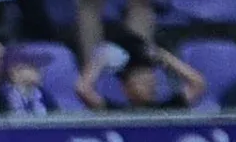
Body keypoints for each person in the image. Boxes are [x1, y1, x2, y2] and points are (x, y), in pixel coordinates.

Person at [75, 40, 208, 111]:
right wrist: (100, 60)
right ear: (126, 88)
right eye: (141, 81)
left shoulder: (168, 109)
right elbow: (83, 89)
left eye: (150, 81)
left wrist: (164, 56)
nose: (149, 85)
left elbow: (197, 84)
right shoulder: (117, 114)